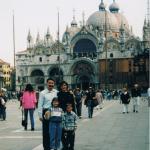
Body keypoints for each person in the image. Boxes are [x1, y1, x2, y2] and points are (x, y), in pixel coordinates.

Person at [38, 78, 58, 150]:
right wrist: (40, 115)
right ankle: (46, 147)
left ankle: (54, 146)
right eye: (49, 83)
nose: (51, 85)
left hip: (55, 112)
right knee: (46, 131)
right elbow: (40, 105)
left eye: (52, 83)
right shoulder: (42, 93)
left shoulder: (56, 92)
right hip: (46, 112)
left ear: (54, 84)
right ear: (47, 83)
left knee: (54, 130)